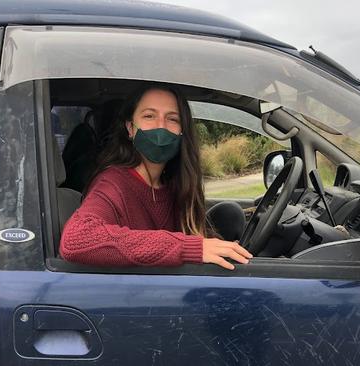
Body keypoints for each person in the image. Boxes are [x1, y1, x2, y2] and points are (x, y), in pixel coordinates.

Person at [59, 84, 252, 270]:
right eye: (149, 116)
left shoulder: (174, 184)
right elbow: (76, 240)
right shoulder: (113, 182)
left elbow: (191, 234)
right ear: (130, 128)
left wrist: (218, 247)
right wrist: (189, 248)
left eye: (172, 119)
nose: (161, 127)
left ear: (182, 131)